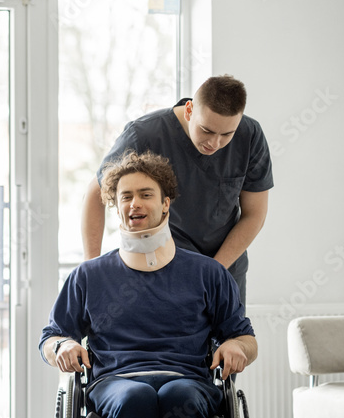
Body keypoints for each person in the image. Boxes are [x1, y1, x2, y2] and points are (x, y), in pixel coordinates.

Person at [41, 150, 257, 418]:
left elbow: (245, 338)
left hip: (188, 382)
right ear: (115, 204)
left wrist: (237, 348)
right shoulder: (90, 276)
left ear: (166, 203)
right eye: (125, 197)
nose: (134, 204)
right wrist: (63, 345)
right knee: (138, 397)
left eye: (145, 194)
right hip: (118, 383)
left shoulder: (206, 273)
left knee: (177, 395)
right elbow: (51, 336)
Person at [81, 74, 272, 304]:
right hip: (160, 268)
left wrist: (214, 271)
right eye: (207, 131)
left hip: (226, 268)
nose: (215, 143)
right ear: (189, 110)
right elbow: (95, 193)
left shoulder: (250, 135)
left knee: (231, 339)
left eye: (226, 135)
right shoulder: (143, 135)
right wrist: (90, 271)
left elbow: (255, 214)